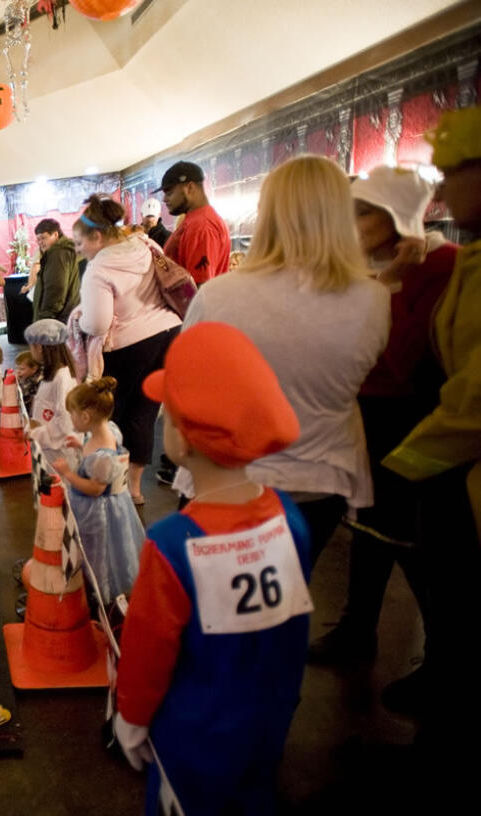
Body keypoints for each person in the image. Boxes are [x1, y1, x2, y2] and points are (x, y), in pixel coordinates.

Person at [114, 321, 310, 815]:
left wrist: (132, 717)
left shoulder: (171, 544)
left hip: (191, 734)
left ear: (184, 437)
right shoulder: (289, 517)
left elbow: (148, 647)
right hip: (270, 721)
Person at [182, 155, 390, 569]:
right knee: (289, 600)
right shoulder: (374, 298)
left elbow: (185, 388)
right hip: (319, 480)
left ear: (268, 213)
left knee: (214, 611)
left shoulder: (220, 295)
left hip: (227, 481)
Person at [308, 166, 456, 696]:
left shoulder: (442, 265)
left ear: (399, 216)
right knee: (371, 530)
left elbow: (398, 361)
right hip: (367, 414)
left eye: (363, 210)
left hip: (414, 421)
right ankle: (356, 629)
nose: (351, 221)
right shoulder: (367, 267)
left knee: (422, 545)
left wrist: (389, 284)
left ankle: (447, 664)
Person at [381, 106, 481, 766]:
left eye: (454, 173)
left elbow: (469, 392)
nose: (445, 190)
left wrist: (407, 460)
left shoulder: (451, 264)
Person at [72, 194, 182, 506]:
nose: (80, 251)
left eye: (81, 244)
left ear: (97, 236)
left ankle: (110, 485)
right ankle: (134, 488)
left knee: (111, 413)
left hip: (130, 345)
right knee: (145, 412)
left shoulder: (100, 268)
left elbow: (97, 323)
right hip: (169, 333)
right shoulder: (146, 245)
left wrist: (79, 320)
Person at [55, 378, 144, 604]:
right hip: (115, 503)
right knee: (113, 550)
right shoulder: (108, 430)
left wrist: (68, 473)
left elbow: (95, 488)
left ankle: (101, 597)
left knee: (100, 552)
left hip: (99, 511)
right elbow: (94, 454)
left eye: (72, 414)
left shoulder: (102, 456)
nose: (71, 419)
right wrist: (80, 447)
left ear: (85, 417)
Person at [157, 160, 232, 285]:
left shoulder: (201, 225)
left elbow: (200, 288)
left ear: (190, 187)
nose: (164, 199)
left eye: (169, 192)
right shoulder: (195, 220)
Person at [23, 319, 78, 467]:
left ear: (39, 347)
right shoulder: (53, 374)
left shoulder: (62, 377)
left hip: (59, 454)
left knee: (61, 489)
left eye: (31, 346)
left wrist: (37, 434)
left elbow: (65, 420)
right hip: (50, 450)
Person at [32, 219, 80, 322]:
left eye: (43, 238)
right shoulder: (68, 250)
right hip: (69, 314)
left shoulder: (57, 253)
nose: (40, 243)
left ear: (55, 234)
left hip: (58, 319)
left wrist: (45, 317)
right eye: (38, 239)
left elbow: (56, 287)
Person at [14, 350, 42, 415]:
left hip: (30, 412)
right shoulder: (28, 377)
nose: (18, 371)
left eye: (22, 369)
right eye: (17, 368)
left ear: (34, 369)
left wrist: (16, 382)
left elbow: (21, 396)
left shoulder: (34, 381)